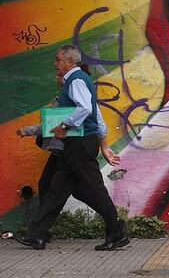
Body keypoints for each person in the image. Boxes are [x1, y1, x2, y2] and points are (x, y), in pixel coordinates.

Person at [15, 46, 129, 251]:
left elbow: (85, 108)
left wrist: (64, 125)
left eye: (58, 60)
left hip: (81, 142)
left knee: (93, 189)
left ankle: (116, 231)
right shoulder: (75, 80)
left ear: (69, 61)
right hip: (75, 144)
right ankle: (37, 235)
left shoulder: (76, 79)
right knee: (57, 189)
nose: (55, 64)